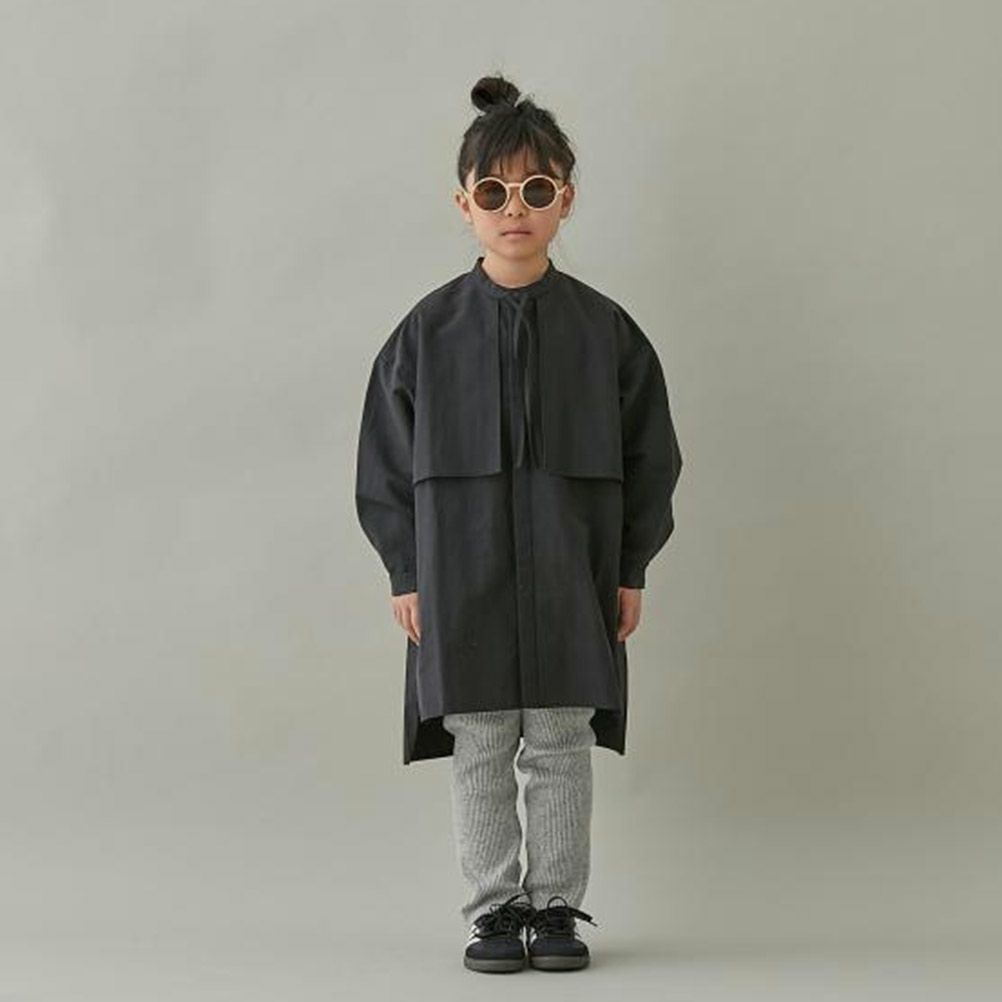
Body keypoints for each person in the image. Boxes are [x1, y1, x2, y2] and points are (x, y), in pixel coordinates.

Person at [354, 72, 683, 973]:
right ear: (463, 204)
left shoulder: (606, 332)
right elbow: (383, 462)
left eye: (536, 190)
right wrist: (406, 571)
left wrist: (630, 568)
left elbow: (652, 456)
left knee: (563, 742)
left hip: (575, 573)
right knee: (483, 744)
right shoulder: (425, 333)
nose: (516, 210)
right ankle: (495, 911)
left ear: (565, 199)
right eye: (494, 193)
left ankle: (558, 908)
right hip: (460, 574)